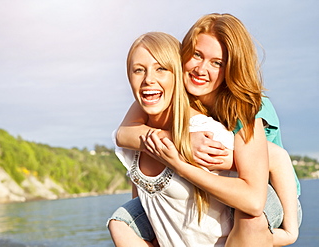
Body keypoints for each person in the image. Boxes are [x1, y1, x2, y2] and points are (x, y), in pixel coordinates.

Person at [109, 13, 301, 247]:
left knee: (249, 217)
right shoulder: (170, 93)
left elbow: (276, 161)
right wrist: (181, 142)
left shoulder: (245, 108)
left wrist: (291, 230)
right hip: (220, 183)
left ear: (230, 68)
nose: (201, 69)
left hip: (272, 191)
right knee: (120, 222)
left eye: (217, 62)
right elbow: (124, 135)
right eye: (196, 55)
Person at [109, 31, 238, 247]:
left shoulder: (206, 134)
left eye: (161, 68)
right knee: (119, 222)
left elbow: (256, 193)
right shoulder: (137, 139)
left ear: (177, 74)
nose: (148, 79)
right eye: (138, 70)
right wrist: (179, 140)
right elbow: (148, 216)